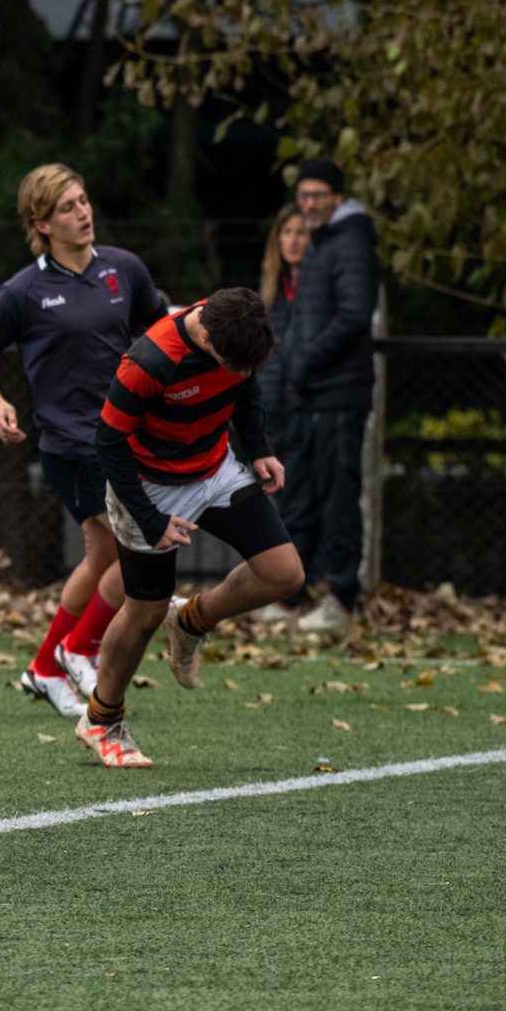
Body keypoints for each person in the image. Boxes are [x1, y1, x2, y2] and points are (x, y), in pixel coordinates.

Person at [0, 164, 166, 717]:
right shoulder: (22, 290)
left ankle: (49, 666)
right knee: (136, 553)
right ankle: (78, 650)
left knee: (105, 552)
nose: (84, 212)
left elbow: (160, 333)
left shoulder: (124, 269)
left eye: (84, 200)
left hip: (128, 437)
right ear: (42, 223)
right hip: (73, 446)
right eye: (69, 207)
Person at [82, 287, 305, 768]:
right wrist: (150, 519)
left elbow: (245, 390)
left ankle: (191, 622)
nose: (244, 374)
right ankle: (101, 720)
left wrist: (260, 449)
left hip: (214, 470)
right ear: (205, 335)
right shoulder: (148, 362)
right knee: (143, 613)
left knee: (284, 573)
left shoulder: (233, 331)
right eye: (234, 363)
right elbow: (109, 443)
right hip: (147, 487)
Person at [276, 158, 378, 633]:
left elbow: (355, 315)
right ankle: (292, 596)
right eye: (304, 195)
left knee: (339, 498)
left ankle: (342, 598)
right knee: (299, 497)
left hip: (337, 395)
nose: (310, 204)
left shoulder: (350, 242)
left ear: (337, 196)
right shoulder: (322, 243)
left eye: (319, 195)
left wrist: (306, 359)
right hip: (309, 396)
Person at [252, 204, 308, 625]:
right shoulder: (270, 293)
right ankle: (284, 591)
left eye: (301, 232)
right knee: (280, 497)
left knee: (304, 498)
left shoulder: (313, 291)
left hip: (308, 404)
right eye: (286, 232)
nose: (293, 240)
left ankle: (295, 591)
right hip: (274, 408)